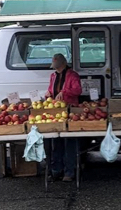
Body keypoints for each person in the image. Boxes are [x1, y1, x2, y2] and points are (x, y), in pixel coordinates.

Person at [44, 53, 82, 182]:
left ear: (64, 64)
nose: (57, 69)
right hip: (57, 111)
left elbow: (78, 90)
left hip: (70, 111)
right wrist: (48, 94)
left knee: (69, 143)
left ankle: (69, 172)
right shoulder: (53, 76)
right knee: (56, 143)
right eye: (55, 67)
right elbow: (50, 90)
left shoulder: (73, 75)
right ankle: (56, 170)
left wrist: (64, 92)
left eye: (58, 67)